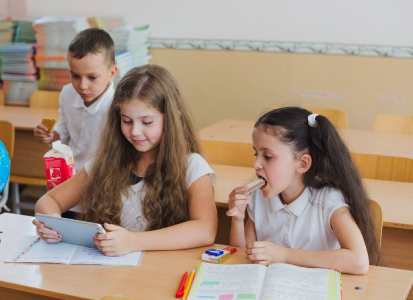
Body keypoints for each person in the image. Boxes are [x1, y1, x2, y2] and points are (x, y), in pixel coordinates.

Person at [33, 65, 218, 256]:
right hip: (113, 273)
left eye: (147, 122)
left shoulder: (192, 166)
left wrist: (132, 241)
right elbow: (49, 200)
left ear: (173, 118)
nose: (135, 131)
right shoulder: (106, 163)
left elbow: (206, 229)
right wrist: (52, 222)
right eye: (127, 121)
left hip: (160, 272)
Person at [226, 107, 379, 274]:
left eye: (268, 157)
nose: (256, 164)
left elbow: (359, 261)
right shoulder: (258, 198)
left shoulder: (329, 201)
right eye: (256, 154)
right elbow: (244, 255)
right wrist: (238, 220)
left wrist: (285, 255)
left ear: (302, 164)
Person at [34, 28, 117, 172]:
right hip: (69, 173)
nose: (82, 86)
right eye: (75, 76)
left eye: (92, 77)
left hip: (100, 178)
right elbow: (63, 133)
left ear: (111, 73)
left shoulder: (117, 106)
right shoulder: (68, 93)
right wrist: (50, 136)